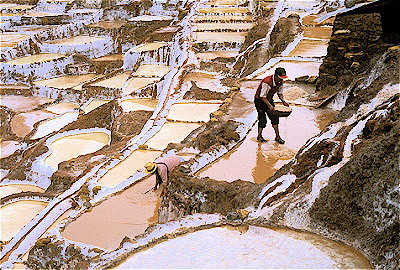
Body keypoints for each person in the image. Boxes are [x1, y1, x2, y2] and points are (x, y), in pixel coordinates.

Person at [254, 67, 290, 144]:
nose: (281, 79)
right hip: (259, 101)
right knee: (262, 119)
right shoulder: (267, 82)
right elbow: (262, 96)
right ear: (276, 75)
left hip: (269, 99)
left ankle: (277, 136)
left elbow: (280, 93)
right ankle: (259, 136)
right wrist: (270, 106)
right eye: (280, 78)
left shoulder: (280, 82)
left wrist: (283, 101)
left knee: (275, 117)